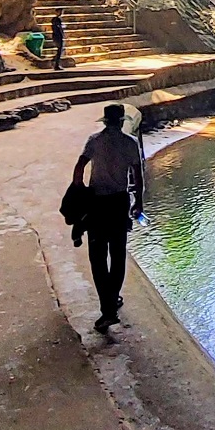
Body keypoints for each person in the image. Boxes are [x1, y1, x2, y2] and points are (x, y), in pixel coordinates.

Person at [71, 103, 144, 333]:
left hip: (98, 204)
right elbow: (138, 175)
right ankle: (113, 300)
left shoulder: (94, 140)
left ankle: (108, 308)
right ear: (122, 121)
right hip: (119, 202)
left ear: (104, 121)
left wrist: (79, 189)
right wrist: (138, 204)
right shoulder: (130, 143)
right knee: (118, 253)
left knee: (98, 256)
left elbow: (79, 167)